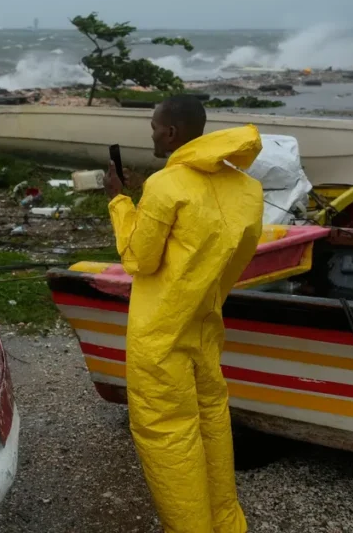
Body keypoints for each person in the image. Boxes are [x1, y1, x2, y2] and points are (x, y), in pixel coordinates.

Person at [104, 95, 264, 533]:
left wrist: (120, 202)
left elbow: (139, 259)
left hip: (160, 334)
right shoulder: (247, 190)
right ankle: (228, 525)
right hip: (205, 323)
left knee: (169, 436)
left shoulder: (166, 185)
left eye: (155, 126)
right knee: (212, 420)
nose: (152, 133)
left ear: (171, 132)